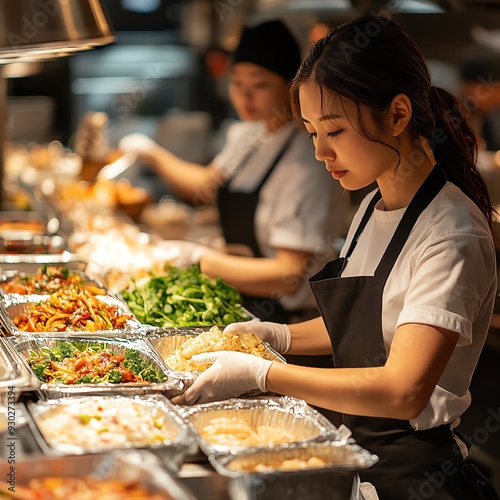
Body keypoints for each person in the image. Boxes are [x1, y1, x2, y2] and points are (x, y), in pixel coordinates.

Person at [172, 16, 500, 500]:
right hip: (358, 458)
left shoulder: (452, 234)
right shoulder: (372, 204)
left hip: (417, 477)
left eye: (335, 130)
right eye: (310, 132)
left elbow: (403, 389)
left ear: (397, 114)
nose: (321, 151)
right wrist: (275, 336)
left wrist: (264, 373)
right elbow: (366, 324)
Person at [119, 20, 348, 325]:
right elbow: (204, 186)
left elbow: (288, 275)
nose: (245, 96)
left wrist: (200, 260)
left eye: (259, 85)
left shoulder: (307, 160)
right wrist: (150, 153)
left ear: (290, 86)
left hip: (288, 321)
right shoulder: (250, 135)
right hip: (243, 305)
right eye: (237, 83)